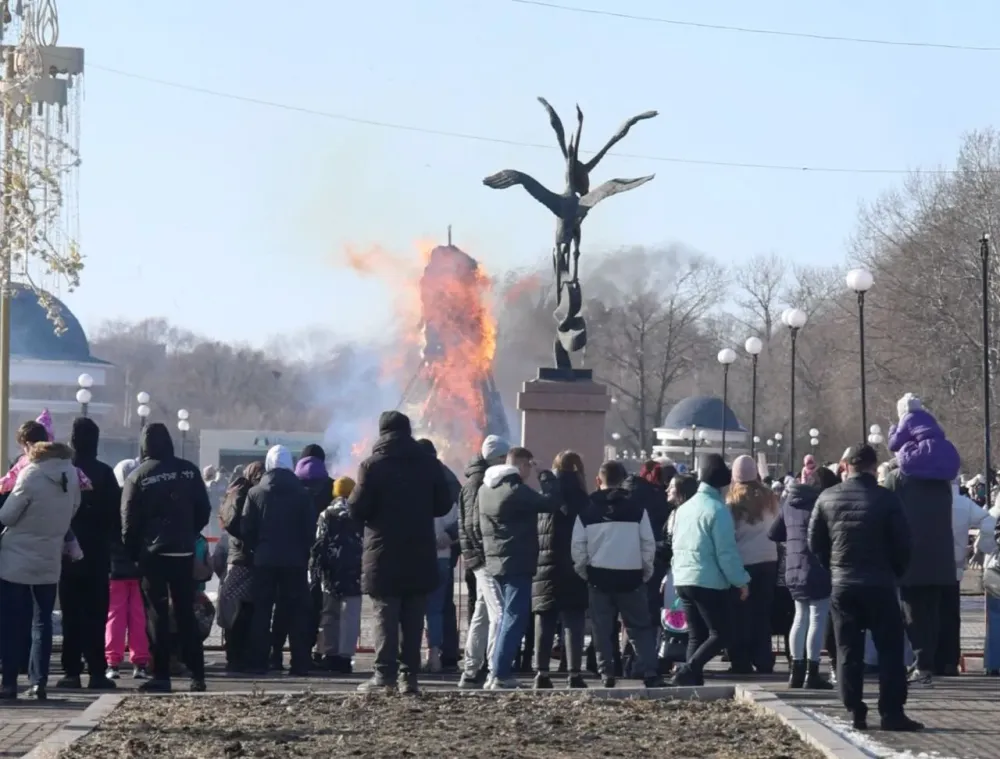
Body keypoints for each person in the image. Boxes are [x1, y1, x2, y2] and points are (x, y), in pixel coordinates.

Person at [809, 443, 921, 732]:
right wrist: (894, 571)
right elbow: (904, 543)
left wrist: (834, 568)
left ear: (847, 466)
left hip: (843, 585)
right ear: (874, 467)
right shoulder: (888, 499)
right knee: (890, 651)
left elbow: (815, 543)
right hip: (881, 584)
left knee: (847, 650)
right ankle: (891, 712)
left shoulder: (827, 497)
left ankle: (855, 711)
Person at [348, 411, 453, 694]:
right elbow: (443, 504)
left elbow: (357, 508)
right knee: (413, 616)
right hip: (420, 551)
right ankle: (410, 678)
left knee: (385, 614)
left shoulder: (371, 466)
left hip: (383, 552)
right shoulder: (429, 465)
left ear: (382, 433)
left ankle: (384, 675)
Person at [121, 422, 212, 693]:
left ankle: (161, 675)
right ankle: (197, 675)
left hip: (153, 555)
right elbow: (204, 510)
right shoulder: (189, 471)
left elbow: (128, 522)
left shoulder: (138, 476)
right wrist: (188, 533)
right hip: (183, 551)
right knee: (185, 613)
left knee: (157, 614)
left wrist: (134, 553)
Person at [884, 393, 960, 688]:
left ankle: (921, 665)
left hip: (911, 557)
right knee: (933, 611)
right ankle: (931, 662)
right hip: (940, 556)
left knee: (913, 613)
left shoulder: (899, 478)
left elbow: (884, 508)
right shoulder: (943, 480)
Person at [0, 439, 81, 700]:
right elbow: (74, 509)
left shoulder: (31, 474)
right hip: (49, 557)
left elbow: (7, 516)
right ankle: (39, 682)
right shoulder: (71, 475)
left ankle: (10, 682)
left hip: (16, 558)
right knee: (42, 622)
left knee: (13, 622)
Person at [572, 460, 663, 688]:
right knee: (639, 627)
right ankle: (650, 671)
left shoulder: (587, 511)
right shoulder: (636, 510)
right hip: (631, 576)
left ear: (598, 480)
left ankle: (606, 672)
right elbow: (648, 545)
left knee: (601, 629)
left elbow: (578, 549)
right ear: (623, 481)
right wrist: (645, 571)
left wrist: (586, 573)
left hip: (599, 577)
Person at [478, 446, 561, 690]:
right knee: (515, 617)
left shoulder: (486, 488)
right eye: (529, 466)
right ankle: (500, 673)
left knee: (506, 617)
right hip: (517, 560)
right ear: (523, 466)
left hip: (496, 561)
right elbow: (551, 503)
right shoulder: (515, 490)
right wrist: (545, 475)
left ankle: (495, 672)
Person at [668, 454, 749, 687]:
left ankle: (692, 682)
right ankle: (688, 670)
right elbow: (726, 553)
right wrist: (740, 581)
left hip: (683, 577)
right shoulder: (718, 510)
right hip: (708, 580)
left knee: (696, 635)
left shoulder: (685, 508)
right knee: (722, 634)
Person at [56, 417, 121, 691]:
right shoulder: (105, 473)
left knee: (70, 614)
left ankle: (71, 672)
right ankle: (96, 671)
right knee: (96, 614)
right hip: (96, 555)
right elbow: (116, 517)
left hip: (66, 554)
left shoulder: (64, 471)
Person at [241, 445, 315, 676]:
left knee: (262, 611)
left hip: (264, 559)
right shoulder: (303, 494)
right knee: (295, 611)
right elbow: (309, 529)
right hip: (295, 561)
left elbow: (246, 528)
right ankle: (300, 661)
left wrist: (256, 548)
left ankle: (259, 660)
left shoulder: (255, 493)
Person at [770, 466, 839, 689]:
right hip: (817, 567)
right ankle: (813, 672)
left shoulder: (789, 502)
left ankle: (795, 672)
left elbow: (773, 533)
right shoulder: (822, 503)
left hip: (792, 567)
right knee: (818, 618)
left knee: (800, 617)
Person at [533, 450, 590, 689]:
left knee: (544, 619)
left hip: (544, 565)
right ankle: (574, 673)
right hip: (574, 566)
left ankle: (541, 673)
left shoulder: (545, 495)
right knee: (573, 621)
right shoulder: (584, 499)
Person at [457, 434, 508, 690]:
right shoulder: (479, 483)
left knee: (482, 613)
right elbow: (473, 524)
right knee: (499, 612)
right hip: (484, 556)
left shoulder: (474, 480)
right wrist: (487, 551)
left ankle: (470, 669)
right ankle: (494, 670)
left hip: (477, 555)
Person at [725, 455, 779, 675]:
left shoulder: (732, 504)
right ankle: (764, 659)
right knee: (762, 613)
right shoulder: (771, 499)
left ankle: (741, 661)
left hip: (744, 563)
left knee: (740, 615)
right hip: (769, 560)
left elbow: (729, 535)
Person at [415, 438, 459, 674]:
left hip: (417, 556)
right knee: (437, 609)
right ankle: (436, 656)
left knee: (412, 609)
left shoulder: (412, 482)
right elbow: (460, 517)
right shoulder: (448, 481)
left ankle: (410, 657)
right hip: (443, 556)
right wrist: (449, 536)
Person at [936, 478, 988, 675]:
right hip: (954, 565)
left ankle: (931, 661)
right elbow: (987, 519)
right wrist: (981, 545)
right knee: (950, 615)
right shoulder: (962, 503)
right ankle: (949, 660)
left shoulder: (925, 499)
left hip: (930, 564)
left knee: (931, 614)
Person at [216, 461, 265, 672]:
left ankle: (233, 655)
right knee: (250, 610)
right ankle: (245, 656)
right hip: (250, 558)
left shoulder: (234, 491)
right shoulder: (253, 495)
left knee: (235, 610)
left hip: (235, 559)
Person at [311, 477, 363, 673]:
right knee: (350, 614)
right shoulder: (359, 514)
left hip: (330, 571)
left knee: (329, 613)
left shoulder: (326, 513)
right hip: (354, 571)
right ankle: (345, 656)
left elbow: (319, 542)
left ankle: (329, 653)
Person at [105, 458, 150, 680]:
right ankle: (140, 662)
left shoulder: (112, 502)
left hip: (115, 568)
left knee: (115, 616)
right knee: (139, 617)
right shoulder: (142, 501)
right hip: (139, 568)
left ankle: (112, 662)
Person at [292, 444, 335, 663]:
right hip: (325, 557)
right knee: (322, 607)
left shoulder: (292, 485)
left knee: (295, 604)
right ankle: (320, 650)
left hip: (296, 553)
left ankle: (298, 654)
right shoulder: (331, 486)